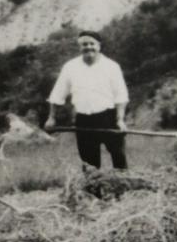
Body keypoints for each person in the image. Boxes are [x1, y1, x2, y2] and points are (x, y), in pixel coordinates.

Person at [44, 30, 129, 170]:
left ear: (99, 46)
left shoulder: (112, 67)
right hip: (84, 120)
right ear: (79, 47)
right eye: (84, 44)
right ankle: (92, 191)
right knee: (89, 164)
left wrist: (120, 120)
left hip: (108, 118)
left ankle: (123, 189)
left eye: (92, 44)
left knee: (118, 158)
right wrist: (51, 118)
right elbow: (57, 94)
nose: (88, 47)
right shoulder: (70, 67)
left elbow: (121, 96)